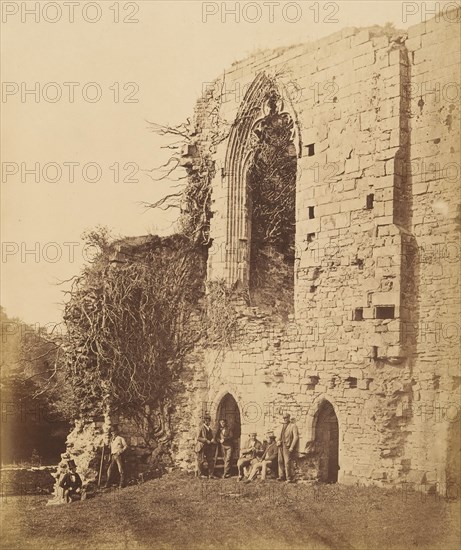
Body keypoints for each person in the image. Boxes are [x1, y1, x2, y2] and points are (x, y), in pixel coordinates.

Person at [277, 413, 299, 483]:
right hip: (281, 446)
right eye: (284, 418)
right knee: (280, 461)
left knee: (287, 462)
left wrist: (292, 447)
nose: (285, 419)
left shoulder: (293, 426)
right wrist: (278, 441)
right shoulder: (282, 426)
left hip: (287, 446)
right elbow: (279, 436)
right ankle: (281, 476)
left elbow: (296, 437)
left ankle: (288, 478)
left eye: (286, 418)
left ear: (289, 418)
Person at [195, 413, 215, 478]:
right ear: (205, 421)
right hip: (201, 446)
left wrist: (212, 439)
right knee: (200, 461)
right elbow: (198, 438)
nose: (209, 422)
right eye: (208, 421)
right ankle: (200, 475)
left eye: (209, 420)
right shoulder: (201, 428)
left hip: (208, 447)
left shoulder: (210, 429)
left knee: (211, 460)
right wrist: (206, 440)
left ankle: (210, 474)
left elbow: (211, 437)